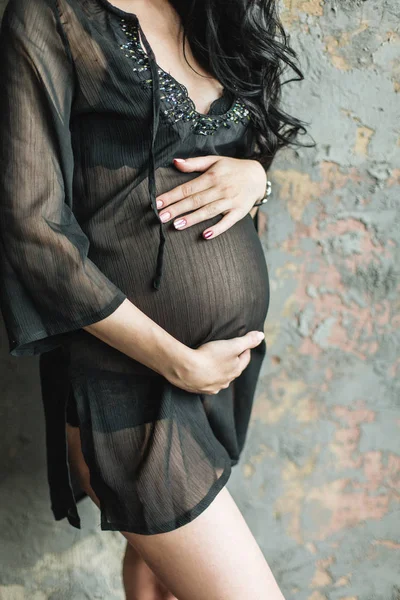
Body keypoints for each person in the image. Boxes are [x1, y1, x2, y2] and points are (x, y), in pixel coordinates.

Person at [0, 0, 308, 598]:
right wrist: (176, 361)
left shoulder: (216, 10)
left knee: (158, 581)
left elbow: (250, 146)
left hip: (216, 376)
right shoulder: (52, 14)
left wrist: (256, 179)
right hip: (127, 378)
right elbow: (31, 229)